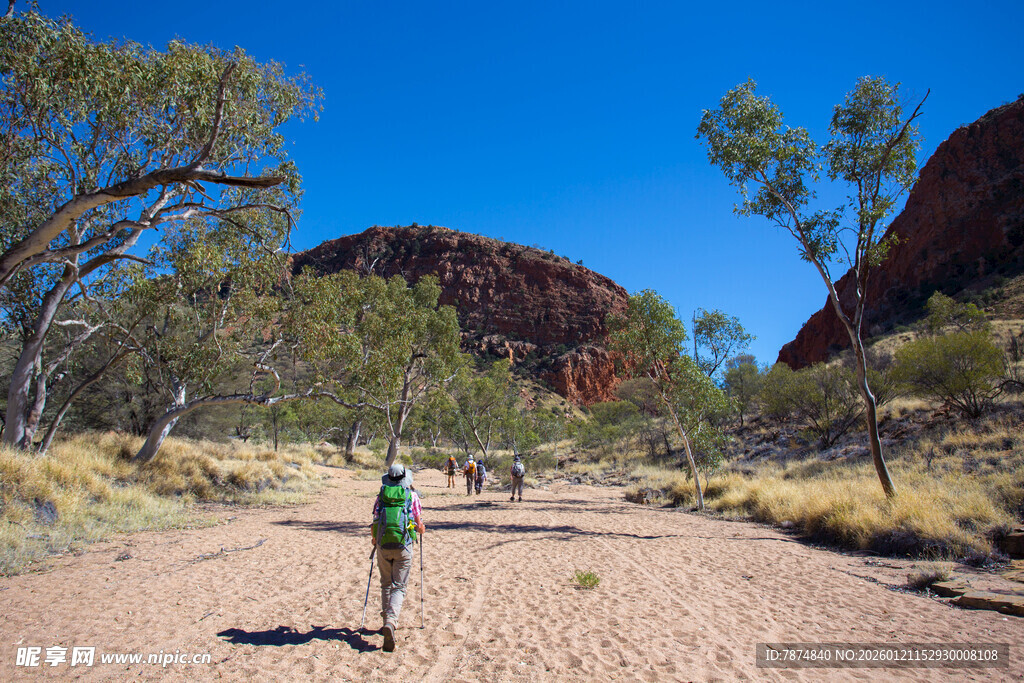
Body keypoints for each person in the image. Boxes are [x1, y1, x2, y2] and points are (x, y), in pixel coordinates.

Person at [370, 463, 425, 653]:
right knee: (399, 586)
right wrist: (421, 529)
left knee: (385, 584)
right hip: (404, 546)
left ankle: (386, 620)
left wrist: (374, 539)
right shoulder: (412, 496)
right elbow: (418, 524)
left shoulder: (381, 497)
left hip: (383, 546)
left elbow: (375, 521)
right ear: (405, 479)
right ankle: (391, 622)